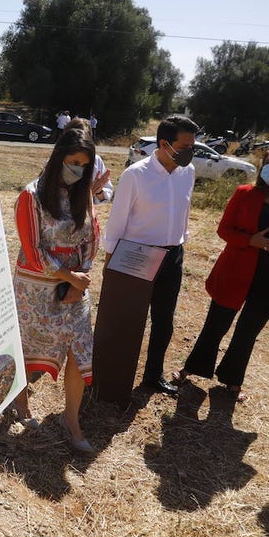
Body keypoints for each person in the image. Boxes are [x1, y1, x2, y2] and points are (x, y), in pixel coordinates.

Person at [173, 145, 269, 401]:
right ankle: (190, 369)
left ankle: (233, 381)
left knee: (247, 332)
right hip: (236, 271)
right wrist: (250, 240)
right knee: (216, 325)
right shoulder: (245, 194)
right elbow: (224, 230)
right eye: (267, 162)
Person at [95, 114, 199, 403]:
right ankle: (110, 378)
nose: (190, 150)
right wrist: (109, 262)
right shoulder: (136, 175)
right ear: (165, 144)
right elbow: (117, 222)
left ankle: (153, 375)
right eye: (185, 144)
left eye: (193, 145)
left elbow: (184, 211)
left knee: (164, 320)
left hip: (173, 255)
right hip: (137, 256)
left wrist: (182, 241)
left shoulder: (187, 172)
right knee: (126, 320)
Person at [9, 127, 100, 453]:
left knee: (79, 351)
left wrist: (81, 277)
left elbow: (92, 237)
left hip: (75, 288)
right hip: (36, 290)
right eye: (73, 161)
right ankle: (20, 404)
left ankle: (71, 419)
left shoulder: (83, 194)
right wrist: (68, 276)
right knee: (26, 346)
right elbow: (32, 249)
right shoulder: (30, 196)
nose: (77, 169)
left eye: (84, 164)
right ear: (58, 156)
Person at [66, 117, 112, 202]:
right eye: (75, 163)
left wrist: (98, 192)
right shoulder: (55, 162)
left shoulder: (96, 161)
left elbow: (104, 198)